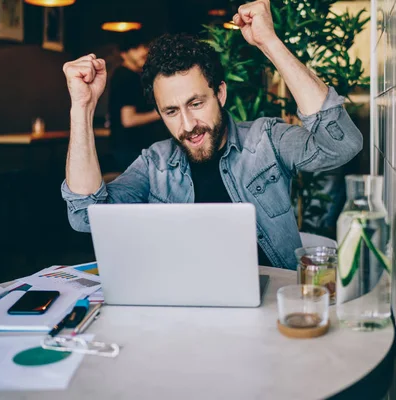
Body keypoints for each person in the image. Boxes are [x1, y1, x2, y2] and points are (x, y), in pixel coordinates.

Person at [60, 0, 363, 270]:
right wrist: (82, 107)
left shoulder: (265, 141)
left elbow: (340, 145)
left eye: (196, 103)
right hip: (187, 312)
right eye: (171, 111)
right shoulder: (154, 165)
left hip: (272, 306)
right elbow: (85, 215)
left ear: (220, 93)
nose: (188, 124)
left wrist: (269, 42)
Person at [108, 31, 165, 171]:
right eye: (135, 48)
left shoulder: (134, 76)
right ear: (123, 53)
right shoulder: (125, 76)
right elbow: (128, 120)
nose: (143, 51)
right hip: (129, 150)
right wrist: (160, 113)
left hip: (131, 148)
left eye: (144, 47)